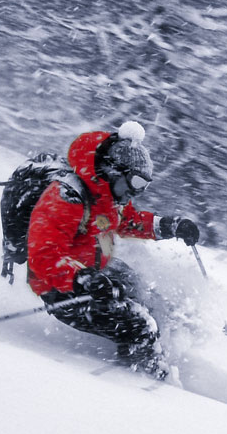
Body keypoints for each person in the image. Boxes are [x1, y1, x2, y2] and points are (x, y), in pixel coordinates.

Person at [26, 121, 200, 373]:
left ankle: (174, 354)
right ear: (113, 171)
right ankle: (139, 384)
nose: (135, 192)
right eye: (135, 182)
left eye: (143, 185)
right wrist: (83, 279)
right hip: (63, 289)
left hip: (98, 271)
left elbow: (130, 221)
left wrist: (169, 226)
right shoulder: (66, 197)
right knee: (138, 326)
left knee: (149, 296)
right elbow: (43, 254)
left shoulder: (106, 196)